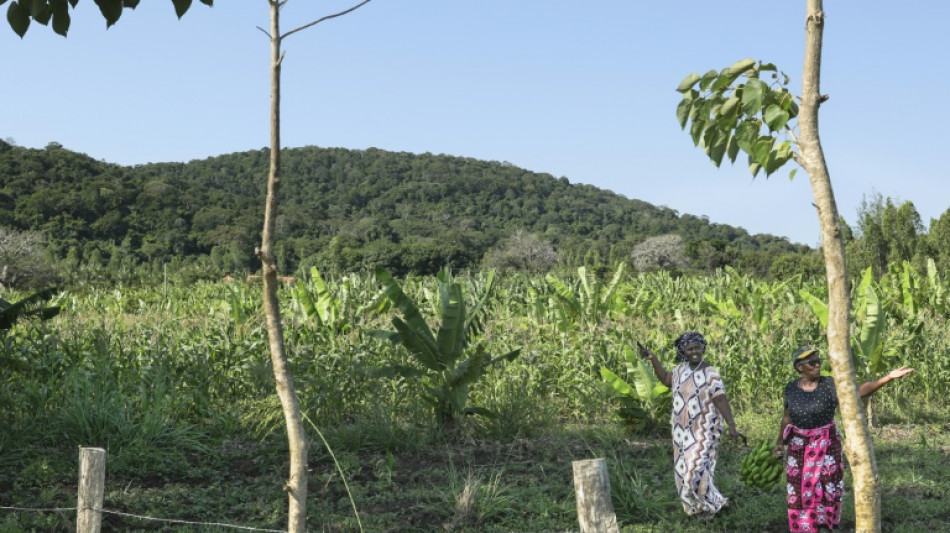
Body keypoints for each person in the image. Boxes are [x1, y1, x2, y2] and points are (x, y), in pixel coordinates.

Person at [772, 346, 914, 533]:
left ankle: (824, 524)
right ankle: (804, 526)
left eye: (818, 361)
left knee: (827, 485)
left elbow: (858, 391)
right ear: (800, 367)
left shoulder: (829, 385)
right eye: (811, 363)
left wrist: (887, 378)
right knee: (798, 489)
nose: (817, 365)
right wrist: (779, 444)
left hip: (825, 445)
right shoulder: (791, 388)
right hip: (798, 447)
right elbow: (787, 417)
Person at [639, 331, 743, 520]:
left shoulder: (710, 372)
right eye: (690, 349)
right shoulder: (680, 370)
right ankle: (703, 506)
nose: (694, 352)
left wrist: (732, 426)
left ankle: (706, 506)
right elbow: (665, 379)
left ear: (703, 348)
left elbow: (720, 399)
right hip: (681, 431)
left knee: (696, 468)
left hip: (705, 429)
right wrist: (652, 359)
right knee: (683, 470)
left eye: (697, 348)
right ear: (684, 351)